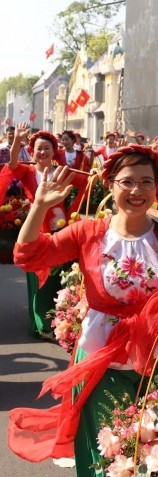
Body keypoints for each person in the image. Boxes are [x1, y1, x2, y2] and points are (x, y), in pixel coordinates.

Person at [7, 144, 158, 476]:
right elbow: (28, 255)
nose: (137, 191)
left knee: (149, 442)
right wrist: (39, 206)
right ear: (110, 185)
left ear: (156, 187)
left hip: (154, 356)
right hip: (100, 357)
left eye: (146, 182)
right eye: (127, 182)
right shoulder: (88, 232)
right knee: (107, 445)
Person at [5, 122, 92, 339]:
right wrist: (17, 140)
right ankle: (41, 324)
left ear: (54, 152)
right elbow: (13, 163)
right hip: (37, 229)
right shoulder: (27, 172)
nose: (42, 152)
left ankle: (57, 320)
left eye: (47, 148)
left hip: (61, 229)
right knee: (39, 278)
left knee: (59, 278)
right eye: (38, 148)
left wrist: (74, 208)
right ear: (32, 151)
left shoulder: (63, 172)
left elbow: (87, 183)